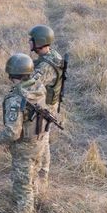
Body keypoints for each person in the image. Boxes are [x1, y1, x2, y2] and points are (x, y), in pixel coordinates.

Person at [0, 53, 46, 213]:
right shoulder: (38, 87)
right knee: (32, 178)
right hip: (39, 142)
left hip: (24, 149)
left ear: (12, 74)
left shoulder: (16, 99)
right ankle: (33, 205)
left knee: (22, 188)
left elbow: (13, 133)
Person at [28, 25, 65, 189]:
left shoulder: (45, 67)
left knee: (41, 141)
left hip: (44, 107)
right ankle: (42, 174)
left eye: (32, 40)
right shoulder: (52, 55)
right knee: (44, 139)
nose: (29, 42)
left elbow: (30, 86)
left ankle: (40, 177)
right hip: (48, 104)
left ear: (39, 42)